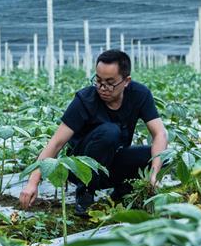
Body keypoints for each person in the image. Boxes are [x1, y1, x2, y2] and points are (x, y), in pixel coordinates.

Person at [19, 50, 168, 215]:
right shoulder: (85, 99)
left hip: (111, 164)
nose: (102, 88)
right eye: (98, 80)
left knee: (162, 155)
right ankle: (85, 193)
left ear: (126, 81)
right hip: (80, 168)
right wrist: (33, 181)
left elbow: (160, 134)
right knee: (110, 131)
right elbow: (56, 143)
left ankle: (123, 189)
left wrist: (153, 175)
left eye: (110, 82)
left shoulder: (139, 94)